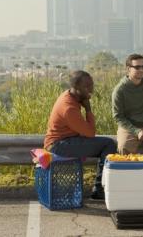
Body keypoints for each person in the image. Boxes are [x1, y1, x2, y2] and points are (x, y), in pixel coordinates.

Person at [44, 70, 117, 200]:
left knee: (106, 144)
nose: (91, 89)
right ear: (76, 88)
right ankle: (99, 189)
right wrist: (88, 109)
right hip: (59, 145)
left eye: (92, 84)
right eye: (87, 86)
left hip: (67, 140)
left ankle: (100, 187)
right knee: (109, 144)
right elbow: (90, 133)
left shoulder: (71, 96)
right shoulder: (68, 107)